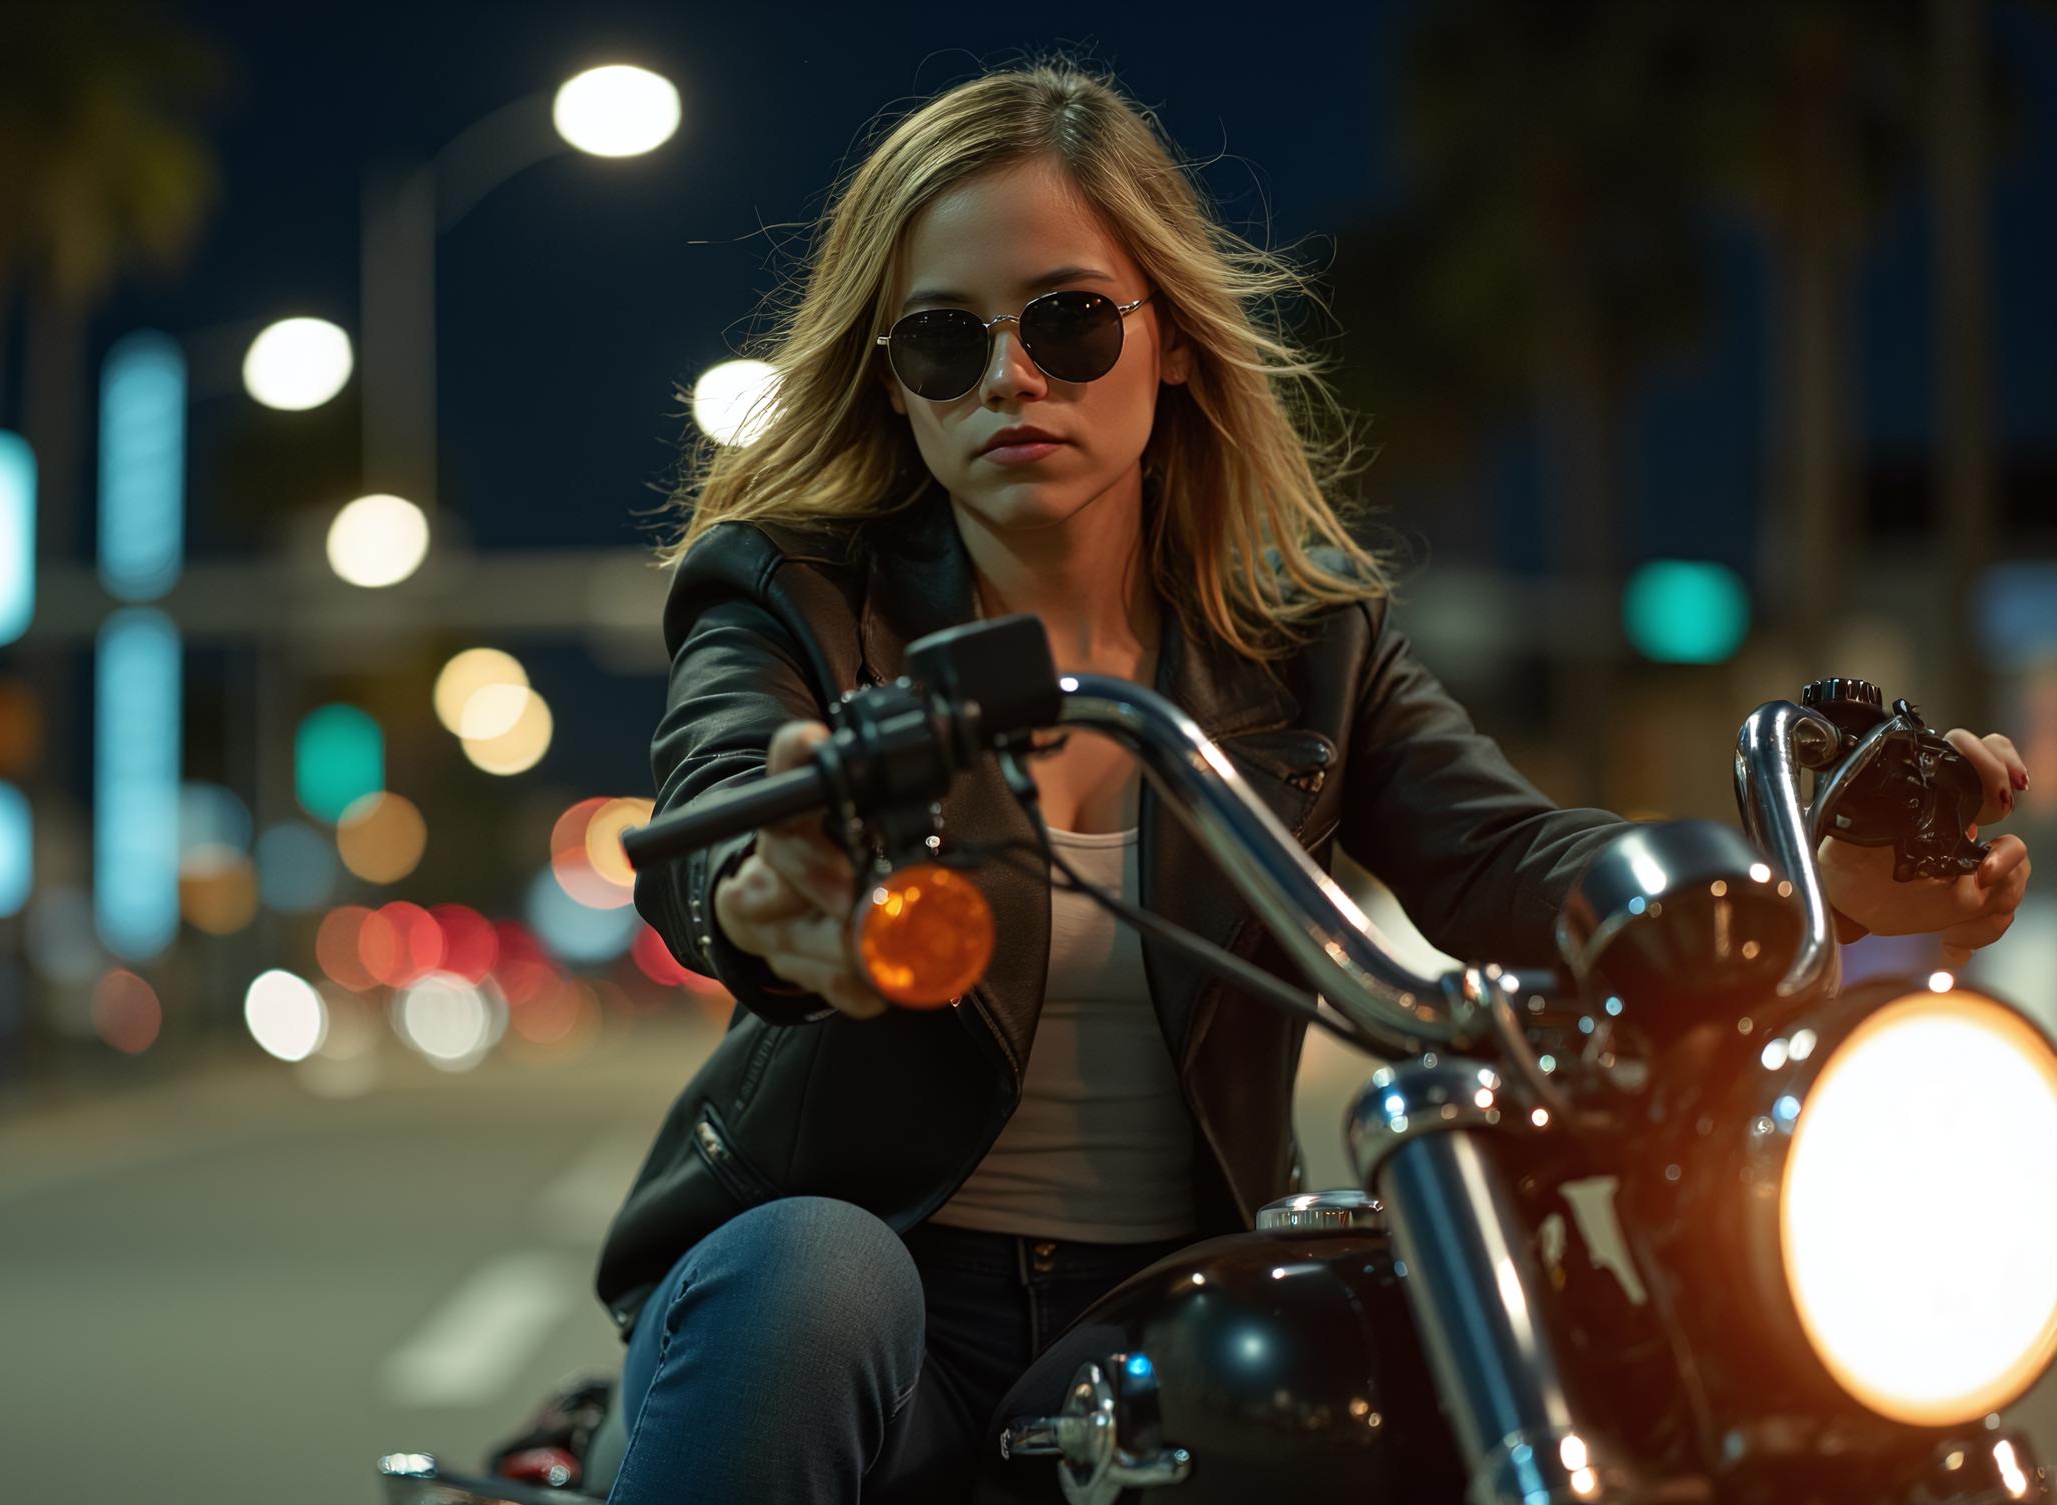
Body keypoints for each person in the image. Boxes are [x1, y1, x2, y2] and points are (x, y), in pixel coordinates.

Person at [591, 59, 2033, 1505]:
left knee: (1385, 1347)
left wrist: (1802, 881)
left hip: (1161, 1314)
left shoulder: (1307, 645)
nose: (1009, 376)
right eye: (943, 341)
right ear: (893, 385)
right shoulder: (795, 593)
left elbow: (1505, 854)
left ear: (1171, 343)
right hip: (869, 1301)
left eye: (1070, 320)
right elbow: (718, 797)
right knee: (816, 1269)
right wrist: (769, 891)